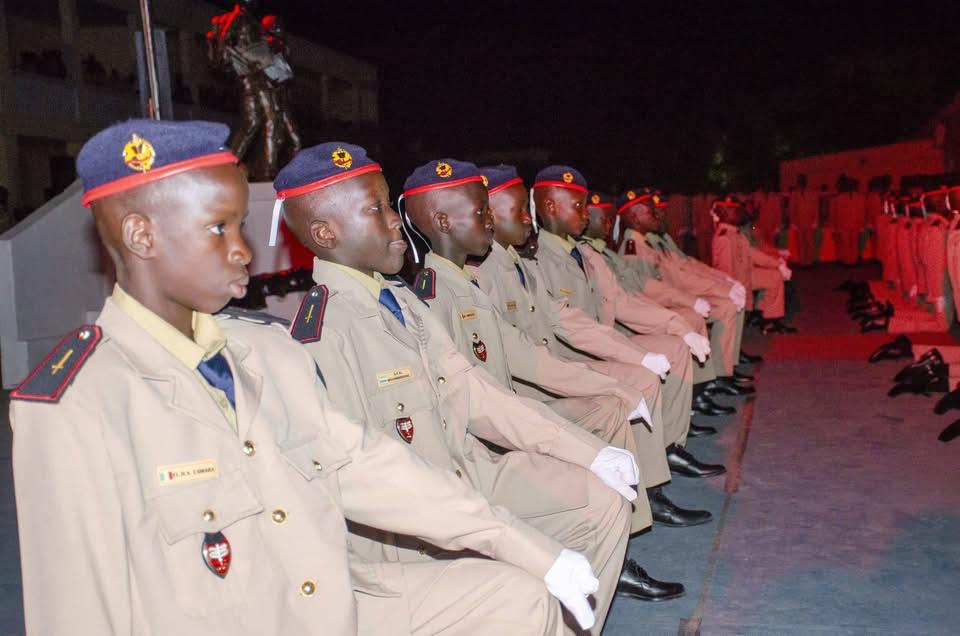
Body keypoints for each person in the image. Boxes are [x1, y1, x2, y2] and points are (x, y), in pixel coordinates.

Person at [9, 121, 589, 635]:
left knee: (519, 597)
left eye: (240, 227)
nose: (243, 251)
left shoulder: (267, 353)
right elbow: (76, 609)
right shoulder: (80, 402)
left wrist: (526, 548)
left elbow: (365, 465)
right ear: (142, 236)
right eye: (218, 229)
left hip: (335, 604)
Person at [271, 143, 663, 631]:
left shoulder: (400, 302)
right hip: (409, 526)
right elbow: (368, 478)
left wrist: (590, 453)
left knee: (602, 497)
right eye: (375, 210)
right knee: (518, 587)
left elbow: (475, 392)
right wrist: (497, 530)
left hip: (466, 472)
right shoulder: (325, 335)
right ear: (325, 233)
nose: (395, 222)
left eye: (390, 206)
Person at [527, 165, 727, 478]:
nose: (586, 214)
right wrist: (638, 355)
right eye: (578, 206)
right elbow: (572, 327)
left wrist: (679, 327)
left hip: (603, 345)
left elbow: (620, 301)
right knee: (642, 374)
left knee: (675, 347)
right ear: (550, 207)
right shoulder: (536, 259)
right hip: (570, 358)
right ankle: (649, 480)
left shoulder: (584, 253)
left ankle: (669, 445)